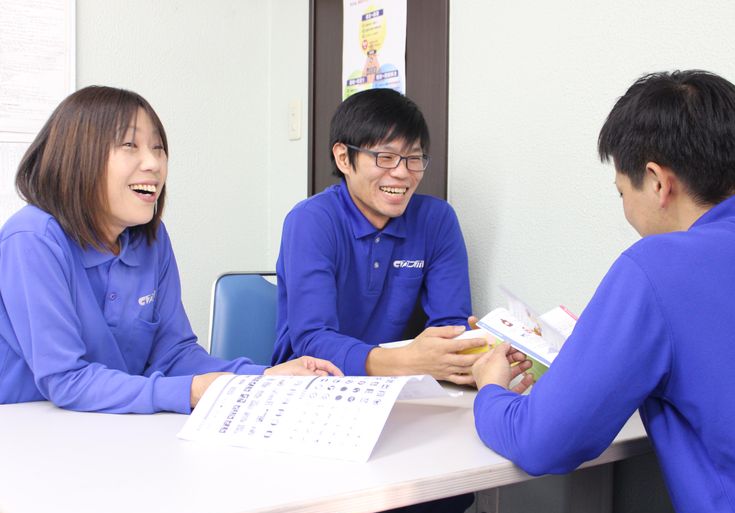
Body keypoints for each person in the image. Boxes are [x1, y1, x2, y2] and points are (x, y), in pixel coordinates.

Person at [471, 70, 735, 513]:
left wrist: (490, 391)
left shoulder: (659, 266)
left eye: (622, 193)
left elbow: (544, 442)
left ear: (657, 181)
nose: (626, 208)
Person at [0, 86, 341, 414]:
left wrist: (262, 379)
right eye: (130, 145)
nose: (153, 163)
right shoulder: (32, 239)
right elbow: (66, 380)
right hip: (30, 434)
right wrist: (192, 390)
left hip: (111, 431)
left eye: (158, 147)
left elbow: (175, 355)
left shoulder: (151, 239)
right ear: (77, 157)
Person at [272, 88, 486, 383]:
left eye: (414, 158)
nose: (402, 173)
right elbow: (313, 340)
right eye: (386, 157)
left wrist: (467, 356)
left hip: (402, 386)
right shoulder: (312, 220)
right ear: (344, 158)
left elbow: (451, 325)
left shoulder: (437, 220)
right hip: (315, 385)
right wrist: (407, 361)